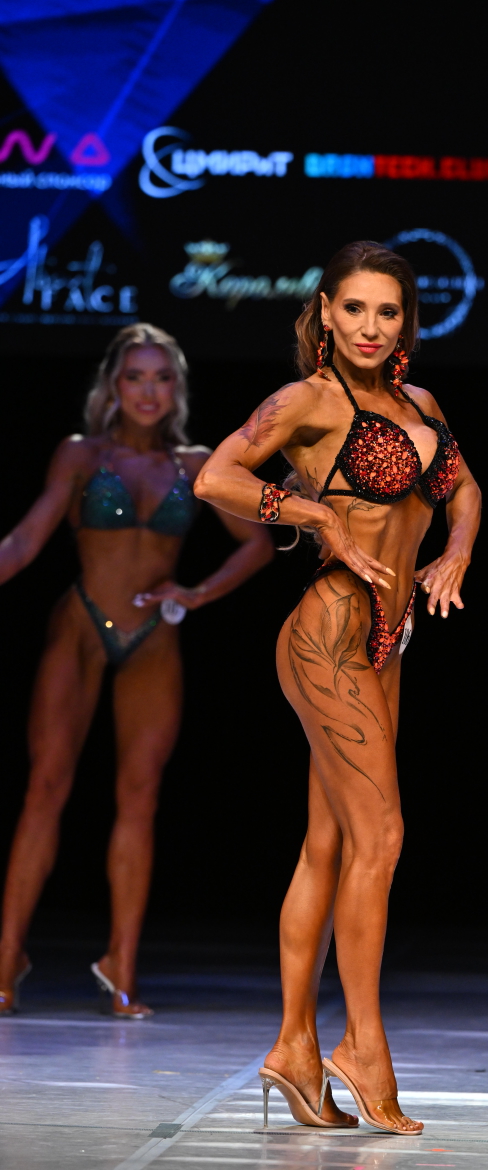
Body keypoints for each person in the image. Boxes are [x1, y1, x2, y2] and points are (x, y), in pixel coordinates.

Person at [194, 242, 481, 1134]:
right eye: (353, 309)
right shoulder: (310, 401)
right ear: (324, 311)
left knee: (329, 846)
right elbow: (215, 476)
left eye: (387, 312)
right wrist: (315, 511)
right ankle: (361, 1044)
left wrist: (456, 552)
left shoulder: (421, 405)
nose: (369, 327)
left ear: (406, 321)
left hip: (387, 644)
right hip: (326, 636)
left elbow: (466, 490)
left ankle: (292, 1047)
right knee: (382, 837)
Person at [0, 323, 275, 1018]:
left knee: (140, 798)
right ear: (113, 387)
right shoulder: (82, 454)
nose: (148, 391)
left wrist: (199, 592)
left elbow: (257, 543)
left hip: (154, 637)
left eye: (162, 377)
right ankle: (4, 959)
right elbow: (26, 540)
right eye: (135, 376)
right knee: (45, 787)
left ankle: (120, 966)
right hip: (81, 627)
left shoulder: (197, 465)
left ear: (177, 388)